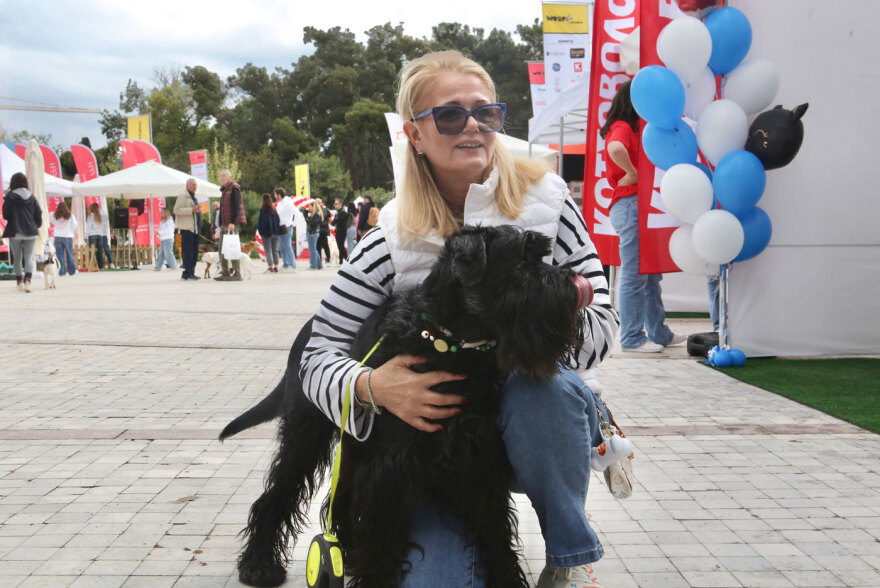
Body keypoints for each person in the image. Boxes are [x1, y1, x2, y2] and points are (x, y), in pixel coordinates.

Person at [299, 51, 619, 587]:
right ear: (415, 134)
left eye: (486, 113)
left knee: (546, 393)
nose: (472, 126)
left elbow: (604, 323)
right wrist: (372, 385)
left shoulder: (550, 203)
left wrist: (529, 327)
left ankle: (570, 558)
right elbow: (317, 354)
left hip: (535, 428)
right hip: (441, 447)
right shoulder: (389, 238)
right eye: (450, 115)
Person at [603, 80, 685, 353]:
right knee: (636, 273)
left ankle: (658, 333)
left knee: (649, 273)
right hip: (630, 204)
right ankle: (632, 338)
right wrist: (633, 172)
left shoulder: (628, 128)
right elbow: (616, 149)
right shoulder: (624, 127)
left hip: (636, 205)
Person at [2, 173, 43, 292]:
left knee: (17, 258)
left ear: (13, 183)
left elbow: (6, 215)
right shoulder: (32, 197)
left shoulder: (10, 197)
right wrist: (37, 225)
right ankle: (28, 282)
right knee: (29, 257)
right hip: (31, 230)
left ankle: (20, 282)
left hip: (15, 231)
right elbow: (38, 213)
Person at [216, 169, 245, 281]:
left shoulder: (234, 188)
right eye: (221, 176)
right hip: (224, 224)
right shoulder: (224, 190)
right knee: (221, 249)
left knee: (233, 248)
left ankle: (237, 274)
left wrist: (233, 222)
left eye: (224, 176)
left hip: (231, 224)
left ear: (230, 177)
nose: (222, 178)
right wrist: (220, 223)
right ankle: (226, 272)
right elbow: (223, 208)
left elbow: (236, 206)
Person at [173, 177, 202, 280]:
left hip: (195, 229)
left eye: (196, 185)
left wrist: (197, 210)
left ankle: (188, 273)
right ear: (187, 186)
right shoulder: (183, 196)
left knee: (194, 252)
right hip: (187, 228)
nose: (195, 187)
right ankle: (188, 273)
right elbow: (176, 210)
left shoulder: (194, 197)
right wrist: (191, 210)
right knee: (187, 252)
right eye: (193, 185)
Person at [50, 200, 77, 276]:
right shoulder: (70, 215)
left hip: (58, 236)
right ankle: (72, 271)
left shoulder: (54, 215)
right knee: (69, 254)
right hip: (68, 236)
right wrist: (70, 230)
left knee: (59, 255)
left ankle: (62, 270)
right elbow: (74, 225)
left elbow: (50, 220)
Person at [274, 187, 297, 271]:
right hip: (280, 227)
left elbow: (296, 212)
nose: (274, 196)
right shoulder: (280, 203)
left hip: (287, 227)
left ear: (279, 195)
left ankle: (292, 265)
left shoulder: (287, 203)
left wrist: (294, 223)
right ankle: (286, 264)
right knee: (282, 247)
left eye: (275, 194)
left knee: (287, 247)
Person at [258, 192, 282, 273]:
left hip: (267, 233)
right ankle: (276, 266)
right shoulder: (274, 209)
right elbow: (278, 220)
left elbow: (262, 222)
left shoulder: (263, 210)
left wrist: (261, 231)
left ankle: (270, 266)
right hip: (275, 232)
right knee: (275, 250)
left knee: (268, 250)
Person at [86, 202, 110, 270]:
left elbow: (88, 226)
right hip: (100, 235)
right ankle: (101, 266)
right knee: (99, 251)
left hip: (92, 235)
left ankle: (93, 265)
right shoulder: (100, 215)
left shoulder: (90, 216)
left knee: (92, 251)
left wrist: (85, 235)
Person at [331, 198, 351, 263]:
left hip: (342, 231)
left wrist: (334, 221)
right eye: (334, 204)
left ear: (340, 204)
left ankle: (347, 260)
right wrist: (334, 221)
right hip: (338, 231)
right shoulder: (338, 212)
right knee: (340, 246)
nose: (334, 205)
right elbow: (333, 222)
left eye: (336, 204)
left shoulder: (342, 212)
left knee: (341, 246)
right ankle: (341, 261)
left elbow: (335, 221)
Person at [305, 202, 323, 270]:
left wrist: (309, 217)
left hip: (313, 233)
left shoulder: (316, 214)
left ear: (314, 207)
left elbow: (313, 223)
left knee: (312, 250)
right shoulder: (314, 214)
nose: (309, 208)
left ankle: (313, 265)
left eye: (310, 206)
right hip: (312, 233)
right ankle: (319, 264)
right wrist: (306, 215)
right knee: (314, 250)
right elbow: (308, 222)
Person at [314, 198, 332, 265]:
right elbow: (330, 219)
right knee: (324, 246)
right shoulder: (326, 209)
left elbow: (330, 219)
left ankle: (321, 260)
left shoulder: (317, 210)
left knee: (320, 246)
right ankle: (327, 259)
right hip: (324, 229)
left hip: (321, 230)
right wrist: (326, 223)